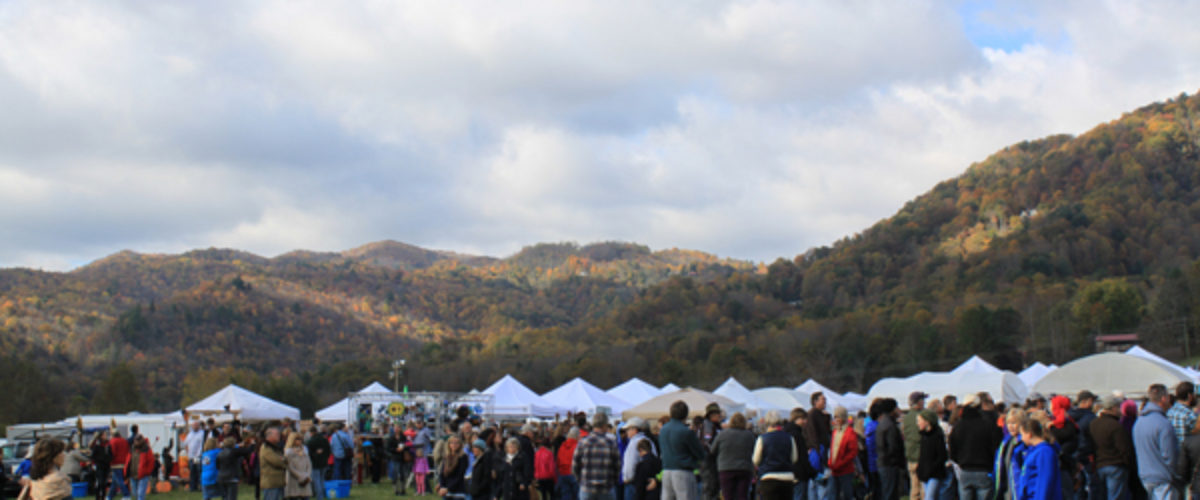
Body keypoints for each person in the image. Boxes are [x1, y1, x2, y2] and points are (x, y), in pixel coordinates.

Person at [1133, 384, 1182, 499]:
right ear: (1164, 398)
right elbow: (1169, 456)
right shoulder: (1163, 424)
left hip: (1145, 475)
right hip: (1162, 477)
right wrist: (1175, 475)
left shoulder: (1139, 422)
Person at [950, 393, 1002, 500]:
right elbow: (995, 446)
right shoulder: (987, 424)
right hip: (983, 469)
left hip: (965, 469)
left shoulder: (958, 426)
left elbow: (952, 449)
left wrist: (959, 460)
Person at [1091, 396, 1133, 500]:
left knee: (1102, 496)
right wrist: (1128, 464)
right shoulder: (1116, 426)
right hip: (1116, 465)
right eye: (1119, 408)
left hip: (1100, 465)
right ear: (1114, 408)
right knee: (1115, 497)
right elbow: (1124, 449)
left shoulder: (1093, 423)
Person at [660, 401, 705, 500]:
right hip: (683, 471)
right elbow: (700, 453)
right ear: (685, 414)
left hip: (666, 471)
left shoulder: (663, 430)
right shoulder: (686, 431)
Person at [753, 411, 798, 500]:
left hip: (768, 477)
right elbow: (794, 458)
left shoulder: (762, 438)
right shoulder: (790, 438)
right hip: (787, 477)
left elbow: (756, 460)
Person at [574, 413, 620, 500]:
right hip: (606, 488)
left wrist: (581, 480)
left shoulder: (583, 442)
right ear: (604, 425)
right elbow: (617, 466)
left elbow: (575, 465)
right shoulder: (611, 443)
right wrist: (613, 481)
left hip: (587, 487)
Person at [710, 413, 754, 500]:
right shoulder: (749, 435)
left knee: (728, 496)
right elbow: (754, 451)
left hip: (725, 469)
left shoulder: (722, 434)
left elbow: (712, 451)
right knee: (743, 496)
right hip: (744, 469)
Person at [1017, 416, 1062, 500]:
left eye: (1022, 434)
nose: (1021, 438)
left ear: (1029, 434)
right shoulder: (1034, 451)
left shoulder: (1044, 452)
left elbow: (1044, 482)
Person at [1047, 396, 1079, 499]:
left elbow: (1062, 436)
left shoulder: (1061, 423)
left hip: (1063, 463)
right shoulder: (1066, 421)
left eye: (1052, 404)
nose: (1050, 406)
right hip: (1066, 461)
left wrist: (1050, 428)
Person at [875, 398, 905, 500]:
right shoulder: (890, 425)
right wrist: (899, 462)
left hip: (883, 462)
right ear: (892, 409)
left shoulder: (882, 423)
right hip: (890, 464)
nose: (898, 410)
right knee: (890, 493)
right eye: (896, 408)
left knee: (887, 491)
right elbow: (893, 447)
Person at [994, 408, 1027, 500]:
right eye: (1008, 423)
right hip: (1006, 489)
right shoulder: (1006, 442)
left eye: (1014, 423)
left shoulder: (1024, 443)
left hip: (1019, 489)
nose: (1011, 426)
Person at [826, 407, 857, 500]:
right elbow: (833, 449)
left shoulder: (850, 432)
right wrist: (830, 462)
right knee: (832, 494)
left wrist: (840, 463)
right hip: (834, 469)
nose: (836, 420)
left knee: (846, 495)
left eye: (838, 417)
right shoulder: (835, 431)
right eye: (835, 417)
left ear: (843, 417)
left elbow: (852, 452)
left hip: (845, 469)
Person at [915, 411, 947, 500]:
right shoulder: (923, 436)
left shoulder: (937, 436)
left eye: (919, 421)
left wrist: (931, 468)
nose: (918, 423)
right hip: (924, 472)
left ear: (927, 421)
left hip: (934, 473)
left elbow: (942, 455)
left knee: (929, 497)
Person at [785, 408, 815, 500]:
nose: (805, 421)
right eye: (803, 419)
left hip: (788, 473)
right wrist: (812, 472)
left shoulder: (786, 432)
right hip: (799, 473)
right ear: (796, 418)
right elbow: (802, 457)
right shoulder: (797, 435)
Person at [903, 392, 929, 500]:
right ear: (919, 402)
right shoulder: (922, 416)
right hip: (921, 455)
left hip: (910, 456)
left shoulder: (906, 417)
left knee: (914, 488)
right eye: (923, 400)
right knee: (924, 489)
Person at [621, 418, 655, 500]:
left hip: (634, 482)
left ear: (634, 429)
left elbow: (631, 463)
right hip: (647, 480)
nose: (627, 432)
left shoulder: (634, 443)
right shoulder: (649, 441)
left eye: (628, 429)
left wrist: (627, 478)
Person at [260, 428, 288, 500]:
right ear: (269, 436)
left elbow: (284, 459)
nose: (279, 436)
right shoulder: (266, 448)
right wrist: (284, 462)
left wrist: (283, 460)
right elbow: (277, 461)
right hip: (271, 483)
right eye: (277, 434)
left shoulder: (275, 448)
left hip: (279, 482)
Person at [306, 426, 331, 500]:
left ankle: (319, 496)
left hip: (315, 463)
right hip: (324, 462)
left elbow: (309, 454)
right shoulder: (324, 439)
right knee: (322, 479)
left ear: (311, 433)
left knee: (316, 481)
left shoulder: (310, 441)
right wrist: (326, 458)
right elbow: (328, 450)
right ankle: (324, 494)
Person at [285, 433, 313, 500]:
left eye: (300, 439)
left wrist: (307, 475)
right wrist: (300, 475)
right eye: (297, 439)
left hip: (305, 478)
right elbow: (289, 466)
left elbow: (309, 464)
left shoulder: (305, 450)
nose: (300, 441)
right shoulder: (289, 452)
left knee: (305, 497)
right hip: (294, 479)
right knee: (294, 497)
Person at [557, 427, 582, 500]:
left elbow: (558, 460)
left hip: (563, 473)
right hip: (574, 473)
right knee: (577, 496)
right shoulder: (578, 446)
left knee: (566, 495)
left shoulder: (562, 446)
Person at [386, 424, 411, 496]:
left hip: (402, 458)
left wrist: (404, 447)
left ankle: (403, 490)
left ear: (400, 429)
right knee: (395, 474)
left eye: (398, 428)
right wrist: (395, 449)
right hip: (395, 458)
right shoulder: (391, 438)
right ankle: (396, 490)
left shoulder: (403, 437)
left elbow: (408, 446)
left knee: (403, 474)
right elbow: (388, 448)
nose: (396, 429)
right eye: (395, 428)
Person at [185, 421, 207, 493]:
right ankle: (193, 487)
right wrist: (188, 453)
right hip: (191, 456)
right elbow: (186, 444)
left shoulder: (202, 434)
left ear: (199, 426)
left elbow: (203, 444)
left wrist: (200, 453)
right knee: (192, 472)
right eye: (194, 425)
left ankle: (201, 486)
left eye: (197, 425)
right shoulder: (190, 434)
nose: (195, 427)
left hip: (198, 456)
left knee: (199, 471)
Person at [109, 430, 131, 500]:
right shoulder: (124, 441)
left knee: (119, 480)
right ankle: (110, 496)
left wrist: (109, 460)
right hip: (124, 462)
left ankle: (126, 495)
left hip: (116, 463)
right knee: (114, 481)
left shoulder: (113, 441)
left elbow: (112, 452)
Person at [91, 431, 113, 500]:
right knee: (100, 482)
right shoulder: (97, 445)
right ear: (101, 436)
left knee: (104, 482)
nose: (105, 436)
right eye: (104, 435)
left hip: (106, 466)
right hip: (99, 465)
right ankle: (98, 496)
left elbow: (110, 453)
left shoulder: (107, 444)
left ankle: (103, 496)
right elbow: (93, 455)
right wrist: (97, 461)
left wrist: (109, 459)